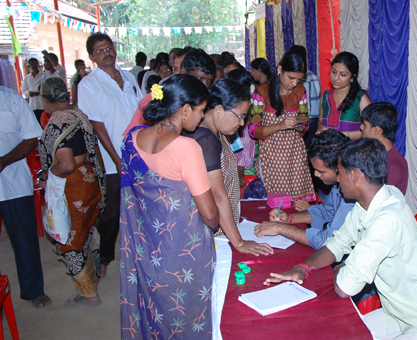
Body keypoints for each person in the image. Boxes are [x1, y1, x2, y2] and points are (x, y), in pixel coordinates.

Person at [264, 138, 417, 340]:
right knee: (342, 331)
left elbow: (344, 287)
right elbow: (337, 243)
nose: (338, 181)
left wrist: (341, 268)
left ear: (353, 176)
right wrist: (303, 267)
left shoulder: (386, 220)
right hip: (399, 314)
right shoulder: (370, 203)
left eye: (340, 173)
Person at [120, 74, 219, 339]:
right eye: (200, 111)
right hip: (183, 255)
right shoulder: (186, 147)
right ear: (185, 109)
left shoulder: (132, 139)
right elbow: (210, 216)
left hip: (147, 249)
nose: (200, 118)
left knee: (157, 316)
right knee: (187, 318)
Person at [78, 32, 143, 278]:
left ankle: (140, 251)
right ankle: (104, 256)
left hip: (138, 154)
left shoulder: (129, 77)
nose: (107, 53)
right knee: (111, 213)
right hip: (111, 160)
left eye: (109, 47)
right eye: (100, 50)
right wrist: (117, 159)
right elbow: (97, 126)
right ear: (92, 57)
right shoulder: (89, 85)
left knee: (139, 205)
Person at [184, 79, 273, 256]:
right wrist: (239, 242)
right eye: (239, 116)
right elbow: (217, 193)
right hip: (206, 231)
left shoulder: (212, 132)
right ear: (218, 110)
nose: (241, 123)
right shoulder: (206, 139)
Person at [38, 77, 106, 307]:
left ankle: (88, 293)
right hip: (89, 183)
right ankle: (92, 277)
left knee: (70, 238)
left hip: (72, 186)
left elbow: (67, 164)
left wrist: (47, 174)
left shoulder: (57, 122)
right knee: (87, 231)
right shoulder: (79, 115)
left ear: (46, 100)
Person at [255, 130, 353, 249]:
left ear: (339, 168)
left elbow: (327, 241)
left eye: (321, 171)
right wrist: (289, 218)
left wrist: (280, 228)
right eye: (315, 170)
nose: (316, 174)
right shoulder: (338, 186)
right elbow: (325, 211)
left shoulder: (351, 198)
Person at [0, 85, 51, 308]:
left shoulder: (10, 99)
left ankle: (33, 291)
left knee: (24, 239)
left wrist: (3, 161)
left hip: (13, 183)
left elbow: (32, 138)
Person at [249, 50, 315, 202]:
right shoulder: (262, 92)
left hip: (294, 154)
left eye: (298, 80)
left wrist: (300, 127)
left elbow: (305, 120)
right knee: (276, 202)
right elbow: (253, 130)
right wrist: (279, 126)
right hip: (271, 154)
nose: (294, 84)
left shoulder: (300, 91)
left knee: (297, 201)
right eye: (291, 78)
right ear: (279, 70)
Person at [123, 48, 216, 136]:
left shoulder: (204, 104)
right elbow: (131, 138)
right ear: (183, 73)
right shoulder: (157, 98)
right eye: (200, 79)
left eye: (209, 81)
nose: (205, 85)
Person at [317, 52, 371, 140]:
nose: (336, 78)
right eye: (334, 72)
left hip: (352, 151)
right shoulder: (325, 96)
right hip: (328, 151)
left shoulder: (361, 99)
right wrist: (320, 127)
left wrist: (340, 135)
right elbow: (320, 120)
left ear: (352, 77)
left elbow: (370, 131)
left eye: (343, 75)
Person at [360, 102, 408, 194]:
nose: (361, 127)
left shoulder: (393, 165)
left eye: (365, 125)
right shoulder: (379, 156)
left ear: (376, 130)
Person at [288, 45, 321, 149]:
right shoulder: (314, 76)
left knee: (302, 151)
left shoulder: (298, 78)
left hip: (303, 120)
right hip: (315, 119)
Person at [20, 58, 45, 124]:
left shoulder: (43, 75)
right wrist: (29, 93)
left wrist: (40, 92)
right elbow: (23, 90)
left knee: (44, 124)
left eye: (35, 64)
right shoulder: (27, 78)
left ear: (38, 65)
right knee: (35, 124)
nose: (34, 65)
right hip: (32, 106)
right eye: (32, 64)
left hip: (43, 105)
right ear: (29, 66)